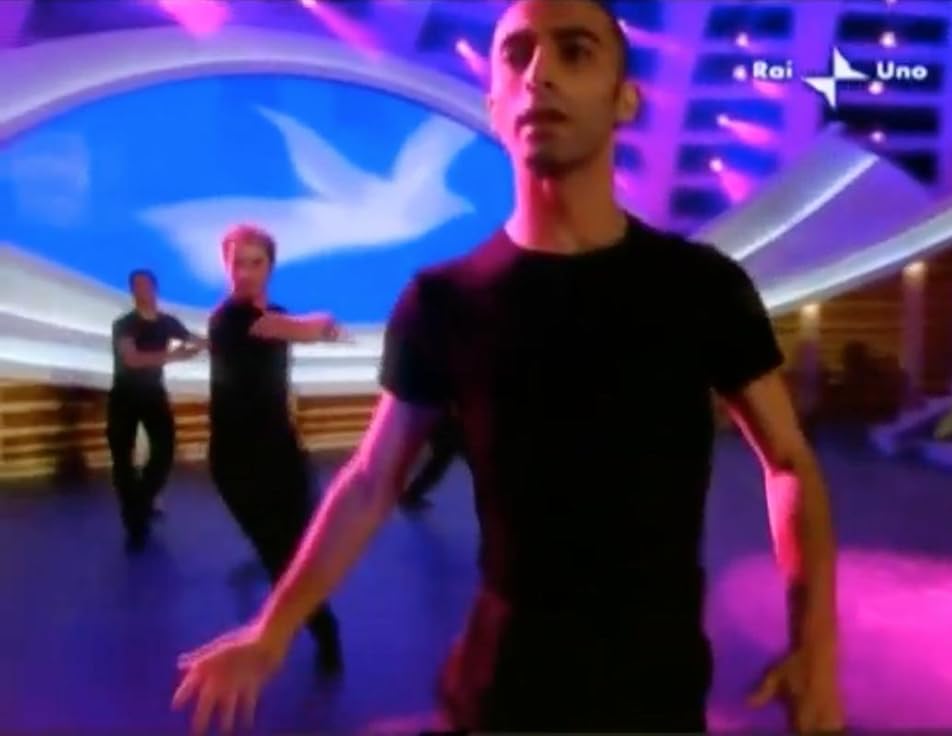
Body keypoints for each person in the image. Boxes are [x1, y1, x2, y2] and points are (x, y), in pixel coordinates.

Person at [173, 1, 844, 732]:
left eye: (574, 51)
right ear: (494, 106)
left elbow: (788, 462)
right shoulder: (442, 301)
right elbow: (369, 481)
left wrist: (815, 643)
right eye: (517, 55)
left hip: (658, 696)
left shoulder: (701, 287)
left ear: (624, 100)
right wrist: (272, 631)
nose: (539, 73)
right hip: (498, 694)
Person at [205, 225, 345, 676]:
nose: (245, 272)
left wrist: (321, 328)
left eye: (256, 262)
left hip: (281, 451)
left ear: (270, 266)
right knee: (282, 556)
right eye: (237, 262)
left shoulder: (276, 315)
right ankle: (324, 633)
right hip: (238, 461)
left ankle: (309, 617)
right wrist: (322, 326)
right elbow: (299, 328)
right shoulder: (229, 320)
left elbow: (301, 337)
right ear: (225, 265)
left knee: (305, 546)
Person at [108, 268, 202, 552]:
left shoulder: (167, 322)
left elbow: (195, 340)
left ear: (155, 288)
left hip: (152, 394)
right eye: (136, 286)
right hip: (124, 396)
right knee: (123, 461)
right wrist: (174, 356)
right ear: (132, 291)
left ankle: (141, 502)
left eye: (146, 285)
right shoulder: (124, 324)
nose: (142, 291)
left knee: (165, 451)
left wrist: (216, 343)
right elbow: (132, 359)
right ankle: (135, 525)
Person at [398, 414, 461, 511]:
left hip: (447, 427)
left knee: (438, 463)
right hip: (449, 429)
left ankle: (411, 494)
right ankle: (410, 495)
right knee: (438, 463)